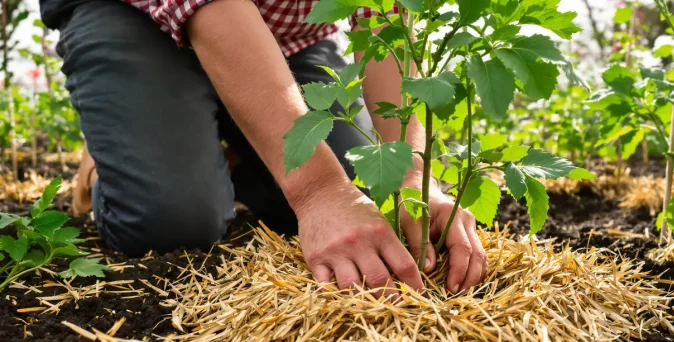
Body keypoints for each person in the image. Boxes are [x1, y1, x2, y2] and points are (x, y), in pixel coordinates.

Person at [39, 0, 487, 297]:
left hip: (287, 37)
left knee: (362, 190)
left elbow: (385, 17)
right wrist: (318, 191)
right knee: (174, 220)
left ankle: (206, 141)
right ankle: (113, 159)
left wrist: (411, 173)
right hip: (130, 14)